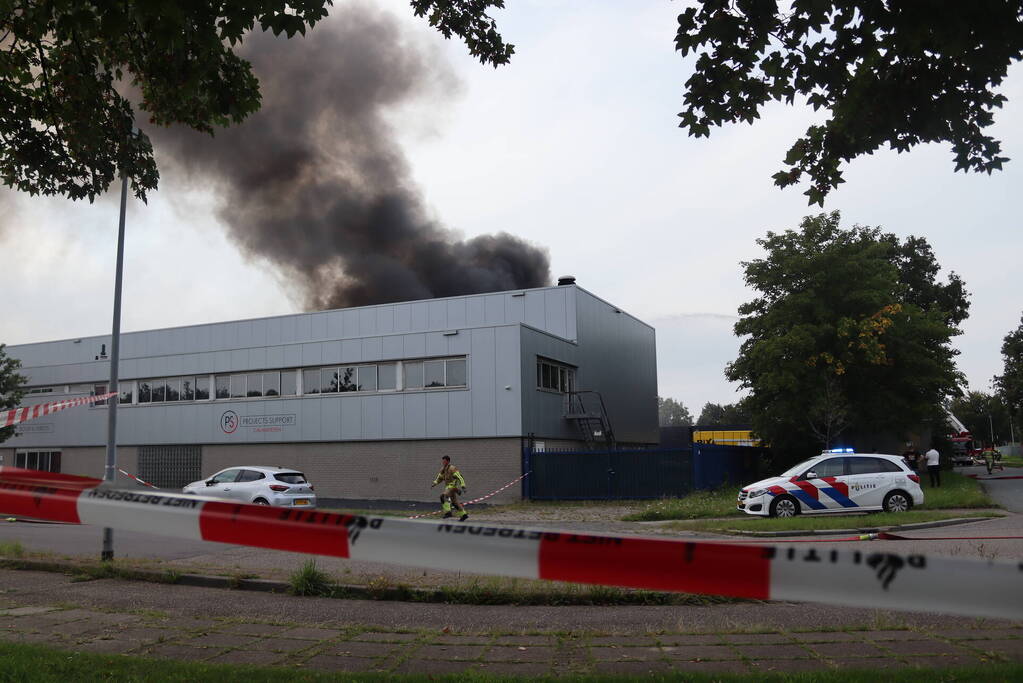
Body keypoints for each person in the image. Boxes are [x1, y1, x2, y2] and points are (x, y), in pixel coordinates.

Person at [431, 455, 468, 521]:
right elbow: (440, 478)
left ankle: (448, 512)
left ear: (448, 461)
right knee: (454, 503)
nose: (443, 463)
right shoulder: (443, 469)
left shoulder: (452, 468)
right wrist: (435, 483)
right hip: (448, 487)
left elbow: (460, 477)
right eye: (443, 461)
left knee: (443, 496)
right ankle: (463, 515)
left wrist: (463, 486)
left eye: (444, 461)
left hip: (452, 487)